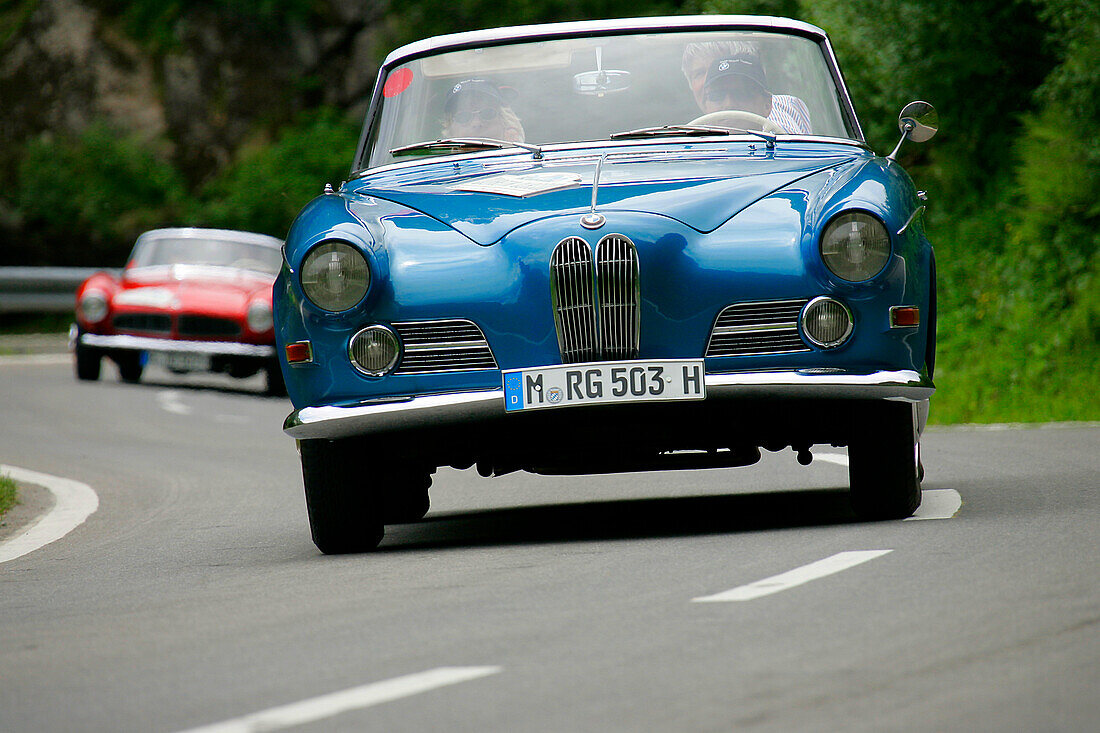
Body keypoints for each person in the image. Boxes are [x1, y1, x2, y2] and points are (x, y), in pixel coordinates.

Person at [681, 41, 811, 134]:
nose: (707, 82)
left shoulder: (781, 113)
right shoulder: (677, 134)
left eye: (719, 69)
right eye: (699, 73)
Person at [440, 79, 526, 142]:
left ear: (504, 122)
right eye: (463, 117)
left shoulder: (528, 163)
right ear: (450, 130)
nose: (476, 123)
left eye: (488, 114)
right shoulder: (436, 165)